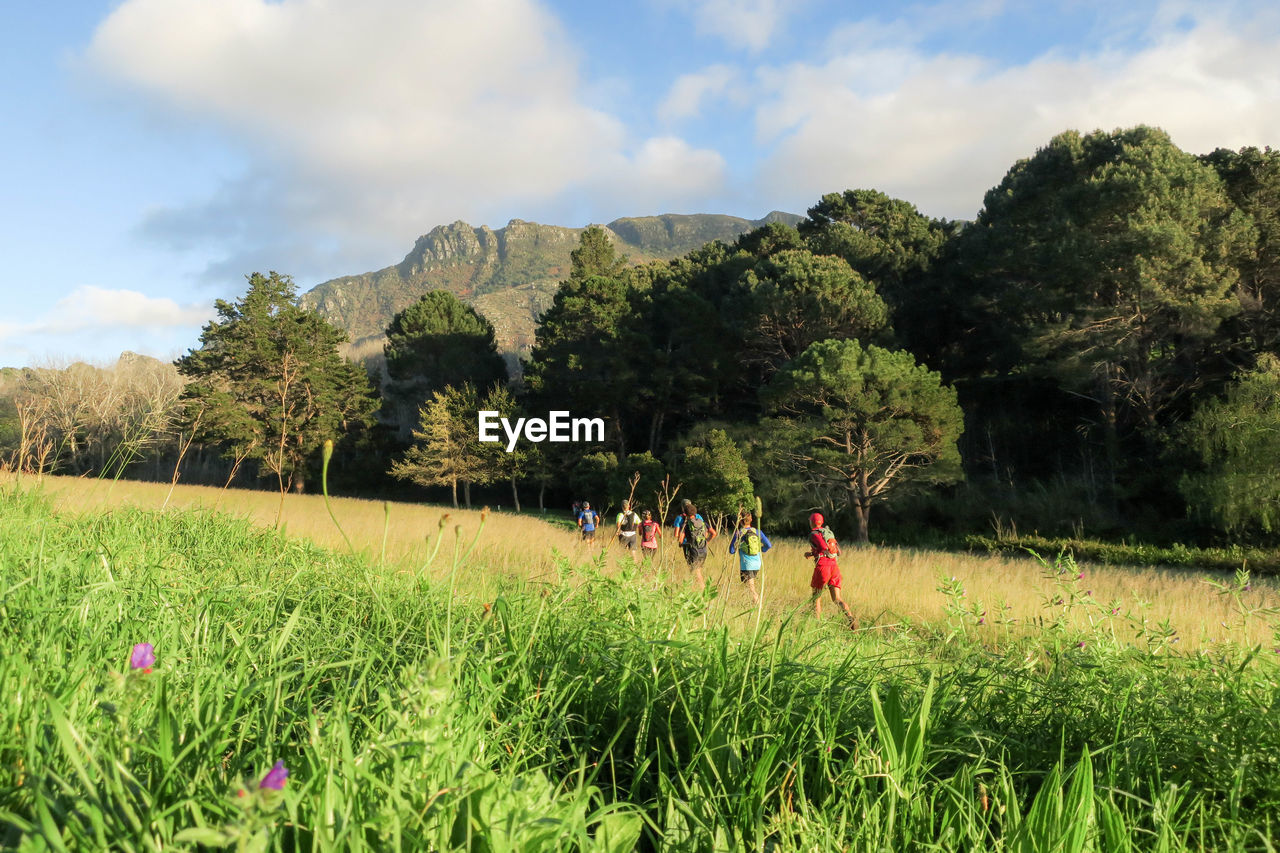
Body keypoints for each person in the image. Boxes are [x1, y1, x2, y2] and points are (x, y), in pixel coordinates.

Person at [805, 511, 858, 629]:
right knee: (837, 599)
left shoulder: (813, 534)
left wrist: (816, 553)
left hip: (823, 567)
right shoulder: (829, 532)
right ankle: (850, 618)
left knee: (816, 598)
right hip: (834, 567)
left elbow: (823, 547)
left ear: (812, 522)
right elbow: (838, 551)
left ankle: (817, 626)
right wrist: (813, 553)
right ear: (821, 522)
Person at [727, 511, 772, 604]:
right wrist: (761, 550)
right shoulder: (758, 532)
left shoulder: (739, 533)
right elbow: (769, 545)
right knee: (747, 586)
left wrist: (737, 546)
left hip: (747, 564)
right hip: (757, 563)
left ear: (740, 521)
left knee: (751, 588)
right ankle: (750, 604)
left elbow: (731, 551)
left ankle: (758, 605)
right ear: (751, 520)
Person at [674, 500, 716, 586]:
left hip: (693, 550)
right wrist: (706, 541)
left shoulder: (686, 525)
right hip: (703, 550)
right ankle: (694, 590)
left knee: (697, 573)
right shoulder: (702, 522)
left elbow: (680, 539)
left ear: (685, 513)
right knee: (695, 570)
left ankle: (703, 592)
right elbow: (714, 533)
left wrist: (681, 544)